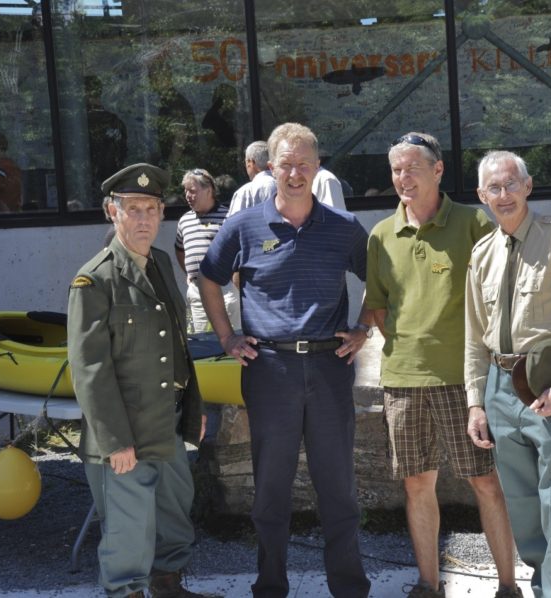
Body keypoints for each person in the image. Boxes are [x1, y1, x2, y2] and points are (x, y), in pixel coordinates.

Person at [197, 122, 371, 598]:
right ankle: (270, 587)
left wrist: (364, 328)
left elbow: (383, 280)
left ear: (317, 167)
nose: (295, 173)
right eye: (286, 164)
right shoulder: (243, 225)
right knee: (270, 492)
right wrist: (227, 336)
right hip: (269, 369)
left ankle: (350, 589)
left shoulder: (343, 229)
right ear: (270, 166)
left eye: (304, 164)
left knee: (337, 489)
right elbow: (208, 278)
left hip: (330, 366)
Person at [365, 133, 519, 598]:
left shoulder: (475, 223)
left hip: (465, 381)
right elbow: (377, 310)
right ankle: (428, 585)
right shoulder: (381, 235)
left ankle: (509, 586)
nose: (403, 178)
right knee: (416, 484)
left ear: (437, 171)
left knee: (486, 482)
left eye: (413, 167)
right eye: (396, 170)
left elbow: (499, 296)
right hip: (403, 380)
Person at [67, 163, 209, 598]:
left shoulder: (162, 264)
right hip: (125, 429)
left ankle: (168, 585)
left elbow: (177, 346)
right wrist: (114, 440)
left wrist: (193, 412)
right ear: (113, 212)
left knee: (172, 514)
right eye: (133, 209)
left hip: (168, 419)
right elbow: (90, 368)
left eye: (151, 208)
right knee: (128, 531)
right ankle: (127, 591)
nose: (144, 218)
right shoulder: (95, 279)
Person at [465, 151, 551, 597]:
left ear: (528, 186)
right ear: (482, 195)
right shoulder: (482, 252)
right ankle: (544, 586)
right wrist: (476, 401)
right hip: (501, 388)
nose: (503, 195)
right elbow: (473, 335)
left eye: (511, 185)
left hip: (549, 383)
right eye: (493, 188)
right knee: (521, 503)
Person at [176, 168, 239, 332]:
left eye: (192, 191)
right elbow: (180, 249)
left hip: (225, 289)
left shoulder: (228, 217)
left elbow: (240, 251)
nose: (188, 196)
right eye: (186, 191)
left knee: (234, 338)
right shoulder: (184, 220)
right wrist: (190, 273)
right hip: (197, 291)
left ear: (208, 190)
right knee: (203, 342)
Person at [226, 140, 277, 215]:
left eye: (246, 162)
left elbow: (232, 224)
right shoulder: (289, 187)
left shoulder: (245, 192)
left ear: (251, 162)